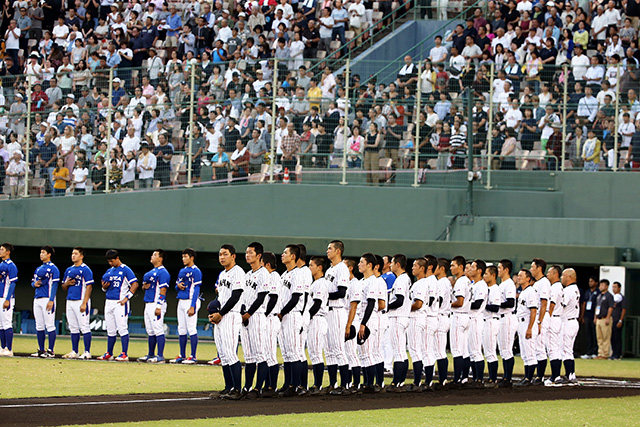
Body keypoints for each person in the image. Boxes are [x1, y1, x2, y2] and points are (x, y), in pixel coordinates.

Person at [208, 244, 245, 400]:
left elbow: (236, 296)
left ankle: (237, 389)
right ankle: (228, 387)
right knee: (223, 355)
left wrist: (220, 314)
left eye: (225, 254)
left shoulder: (238, 272)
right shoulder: (223, 274)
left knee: (230, 353)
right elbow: (221, 298)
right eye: (220, 254)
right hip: (221, 316)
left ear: (233, 256)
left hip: (231, 315)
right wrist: (214, 312)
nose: (222, 257)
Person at [240, 242, 270, 398]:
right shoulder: (248, 274)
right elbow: (244, 297)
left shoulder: (264, 273)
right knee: (249, 356)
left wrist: (248, 313)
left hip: (257, 316)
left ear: (259, 255)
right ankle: (247, 387)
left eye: (250, 252)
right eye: (246, 252)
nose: (247, 255)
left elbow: (262, 296)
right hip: (246, 316)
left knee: (260, 354)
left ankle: (258, 388)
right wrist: (243, 312)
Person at [275, 245, 306, 397]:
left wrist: (282, 312)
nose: (283, 255)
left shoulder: (298, 274)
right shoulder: (284, 275)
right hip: (283, 316)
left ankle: (296, 385)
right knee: (286, 353)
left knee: (294, 352)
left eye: (285, 252)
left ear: (293, 256)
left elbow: (295, 298)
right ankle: (288, 384)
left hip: (293, 314)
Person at [97, 250, 138, 362]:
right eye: (109, 261)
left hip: (120, 302)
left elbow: (135, 283)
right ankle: (109, 353)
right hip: (108, 301)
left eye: (112, 260)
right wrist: (104, 287)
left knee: (122, 328)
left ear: (117, 258)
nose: (110, 263)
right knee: (110, 329)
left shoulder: (125, 269)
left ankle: (124, 353)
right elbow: (104, 287)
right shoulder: (109, 271)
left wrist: (127, 297)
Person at [324, 240, 350, 392]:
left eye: (330, 248)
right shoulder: (330, 269)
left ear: (338, 251)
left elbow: (342, 292)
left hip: (337, 311)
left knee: (339, 349)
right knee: (329, 350)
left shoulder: (342, 268)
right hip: (327, 311)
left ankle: (345, 385)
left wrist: (323, 296)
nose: (327, 251)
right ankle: (333, 383)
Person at [60, 247, 93, 360]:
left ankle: (87, 352)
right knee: (73, 327)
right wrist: (66, 283)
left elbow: (89, 286)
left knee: (84, 326)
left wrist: (84, 303)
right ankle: (75, 351)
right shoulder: (69, 270)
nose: (73, 255)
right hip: (70, 300)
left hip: (80, 300)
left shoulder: (85, 269)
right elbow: (63, 287)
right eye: (72, 253)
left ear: (81, 256)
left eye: (76, 253)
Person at [170, 248, 202, 365]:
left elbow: (197, 288)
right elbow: (176, 287)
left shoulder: (196, 271)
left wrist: (193, 306)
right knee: (181, 329)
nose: (183, 259)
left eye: (186, 256)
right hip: (181, 300)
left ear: (191, 257)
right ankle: (182, 355)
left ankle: (193, 356)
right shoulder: (182, 271)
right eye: (182, 257)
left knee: (191, 328)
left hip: (190, 301)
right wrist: (178, 285)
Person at [138, 249, 170, 364]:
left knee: (158, 329)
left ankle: (160, 355)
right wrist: (144, 287)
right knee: (150, 331)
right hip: (148, 303)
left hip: (156, 303)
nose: (152, 256)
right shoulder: (150, 272)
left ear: (160, 258)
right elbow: (147, 286)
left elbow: (163, 289)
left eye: (155, 255)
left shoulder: (163, 272)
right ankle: (151, 354)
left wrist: (159, 306)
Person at [29, 246, 59, 358]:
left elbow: (55, 285)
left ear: (49, 254)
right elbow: (33, 282)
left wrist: (51, 300)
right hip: (37, 298)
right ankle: (41, 350)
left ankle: (51, 350)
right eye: (40, 252)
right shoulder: (38, 268)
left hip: (47, 298)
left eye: (43, 252)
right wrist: (34, 284)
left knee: (50, 325)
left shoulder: (53, 268)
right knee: (39, 325)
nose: (41, 254)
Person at [386, 254, 411, 390]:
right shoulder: (403, 278)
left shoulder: (401, 279)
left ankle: (397, 382)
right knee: (401, 351)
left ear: (398, 265)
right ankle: (400, 382)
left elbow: (399, 300)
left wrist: (386, 307)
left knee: (398, 352)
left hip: (398, 317)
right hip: (403, 317)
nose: (390, 265)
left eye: (392, 262)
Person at [405, 257, 429, 391]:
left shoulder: (422, 283)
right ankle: (418, 381)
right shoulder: (417, 283)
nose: (413, 267)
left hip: (417, 318)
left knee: (415, 350)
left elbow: (418, 304)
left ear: (422, 268)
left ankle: (417, 382)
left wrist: (405, 308)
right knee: (416, 349)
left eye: (415, 266)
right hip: (417, 318)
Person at [261, 251, 284, 397]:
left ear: (267, 264)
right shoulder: (267, 276)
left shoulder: (274, 276)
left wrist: (264, 314)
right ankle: (267, 385)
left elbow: (274, 298)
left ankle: (272, 387)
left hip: (271, 317)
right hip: (267, 318)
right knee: (265, 353)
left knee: (270, 354)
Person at [514, 269, 539, 387]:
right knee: (524, 352)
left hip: (528, 323)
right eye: (518, 276)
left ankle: (529, 378)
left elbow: (533, 311)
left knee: (530, 352)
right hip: (521, 323)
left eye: (521, 276)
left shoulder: (530, 291)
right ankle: (526, 377)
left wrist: (530, 328)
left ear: (528, 278)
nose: (519, 278)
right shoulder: (523, 291)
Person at [449, 255, 471, 387]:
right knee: (464, 350)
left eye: (453, 265)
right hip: (466, 316)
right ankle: (464, 377)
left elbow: (460, 302)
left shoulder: (461, 281)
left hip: (459, 316)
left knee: (457, 350)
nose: (451, 268)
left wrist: (447, 304)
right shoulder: (467, 281)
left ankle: (457, 379)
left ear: (461, 267)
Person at [530, 258, 551, 384]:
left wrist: (539, 322)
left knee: (540, 347)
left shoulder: (544, 282)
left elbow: (544, 303)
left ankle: (540, 377)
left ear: (539, 268)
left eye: (533, 267)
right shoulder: (537, 283)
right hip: (537, 316)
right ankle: (537, 375)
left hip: (541, 316)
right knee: (535, 347)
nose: (531, 269)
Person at [559, 268, 581, 385]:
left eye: (563, 276)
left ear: (569, 277)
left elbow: (562, 304)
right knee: (568, 350)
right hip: (572, 321)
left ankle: (569, 374)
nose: (562, 278)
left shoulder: (568, 290)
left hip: (567, 322)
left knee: (565, 350)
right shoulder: (575, 289)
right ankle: (571, 374)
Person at [468, 260, 488, 386]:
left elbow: (477, 304)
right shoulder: (473, 284)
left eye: (473, 267)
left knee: (476, 350)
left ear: (479, 270)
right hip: (470, 319)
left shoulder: (481, 285)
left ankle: (479, 379)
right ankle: (475, 378)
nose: (470, 269)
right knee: (471, 351)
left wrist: (463, 305)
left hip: (476, 319)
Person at [497, 259, 517, 387]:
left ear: (506, 270)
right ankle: (505, 377)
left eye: (500, 268)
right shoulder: (502, 284)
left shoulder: (509, 284)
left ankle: (507, 378)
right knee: (503, 349)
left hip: (508, 317)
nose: (498, 270)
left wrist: (495, 303)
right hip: (501, 318)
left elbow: (511, 303)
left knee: (507, 349)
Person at [544, 265, 565, 385]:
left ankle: (555, 376)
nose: (547, 274)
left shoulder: (555, 287)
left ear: (556, 274)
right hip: (557, 319)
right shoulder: (557, 287)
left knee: (552, 348)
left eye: (549, 272)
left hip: (553, 318)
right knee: (554, 348)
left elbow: (551, 305)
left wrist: (547, 319)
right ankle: (555, 375)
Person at [482, 265, 502, 387]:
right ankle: (491, 378)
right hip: (486, 320)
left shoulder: (495, 289)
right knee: (487, 351)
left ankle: (493, 379)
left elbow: (495, 307)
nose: (484, 276)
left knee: (490, 351)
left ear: (493, 275)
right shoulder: (488, 288)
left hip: (491, 320)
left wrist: (482, 304)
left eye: (486, 274)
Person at [434, 258, 451, 388]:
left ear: (442, 269)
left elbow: (438, 300)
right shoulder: (443, 282)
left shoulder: (442, 283)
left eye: (436, 267)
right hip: (443, 316)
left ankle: (443, 379)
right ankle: (442, 378)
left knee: (440, 351)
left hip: (441, 316)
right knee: (438, 350)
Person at [0, 243, 18, 357]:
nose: (0, 251)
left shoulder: (11, 265)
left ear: (8, 252)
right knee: (1, 325)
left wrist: (8, 299)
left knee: (7, 323)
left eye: (2, 250)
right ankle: (3, 347)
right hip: (0, 296)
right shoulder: (1, 264)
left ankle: (9, 348)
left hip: (7, 297)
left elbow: (12, 283)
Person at [594, 279, 614, 360]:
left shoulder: (609, 296)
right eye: (600, 285)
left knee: (606, 337)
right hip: (599, 318)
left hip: (605, 318)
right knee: (599, 337)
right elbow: (597, 307)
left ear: (606, 286)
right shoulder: (599, 296)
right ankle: (600, 353)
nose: (601, 287)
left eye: (603, 285)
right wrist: (595, 317)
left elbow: (611, 307)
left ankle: (605, 354)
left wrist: (608, 318)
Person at [580, 276, 599, 359]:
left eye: (592, 281)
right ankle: (588, 352)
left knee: (594, 334)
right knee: (588, 334)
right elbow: (584, 303)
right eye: (589, 281)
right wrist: (582, 315)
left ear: (596, 283)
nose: (590, 283)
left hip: (593, 315)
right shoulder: (587, 292)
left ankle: (595, 352)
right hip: (587, 315)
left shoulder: (598, 292)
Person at [610, 282, 627, 360]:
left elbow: (624, 309)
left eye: (615, 287)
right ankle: (613, 353)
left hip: (617, 319)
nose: (614, 289)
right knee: (612, 337)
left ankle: (618, 354)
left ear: (619, 288)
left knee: (617, 337)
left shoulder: (622, 298)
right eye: (613, 287)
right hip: (612, 320)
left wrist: (620, 320)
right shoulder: (613, 298)